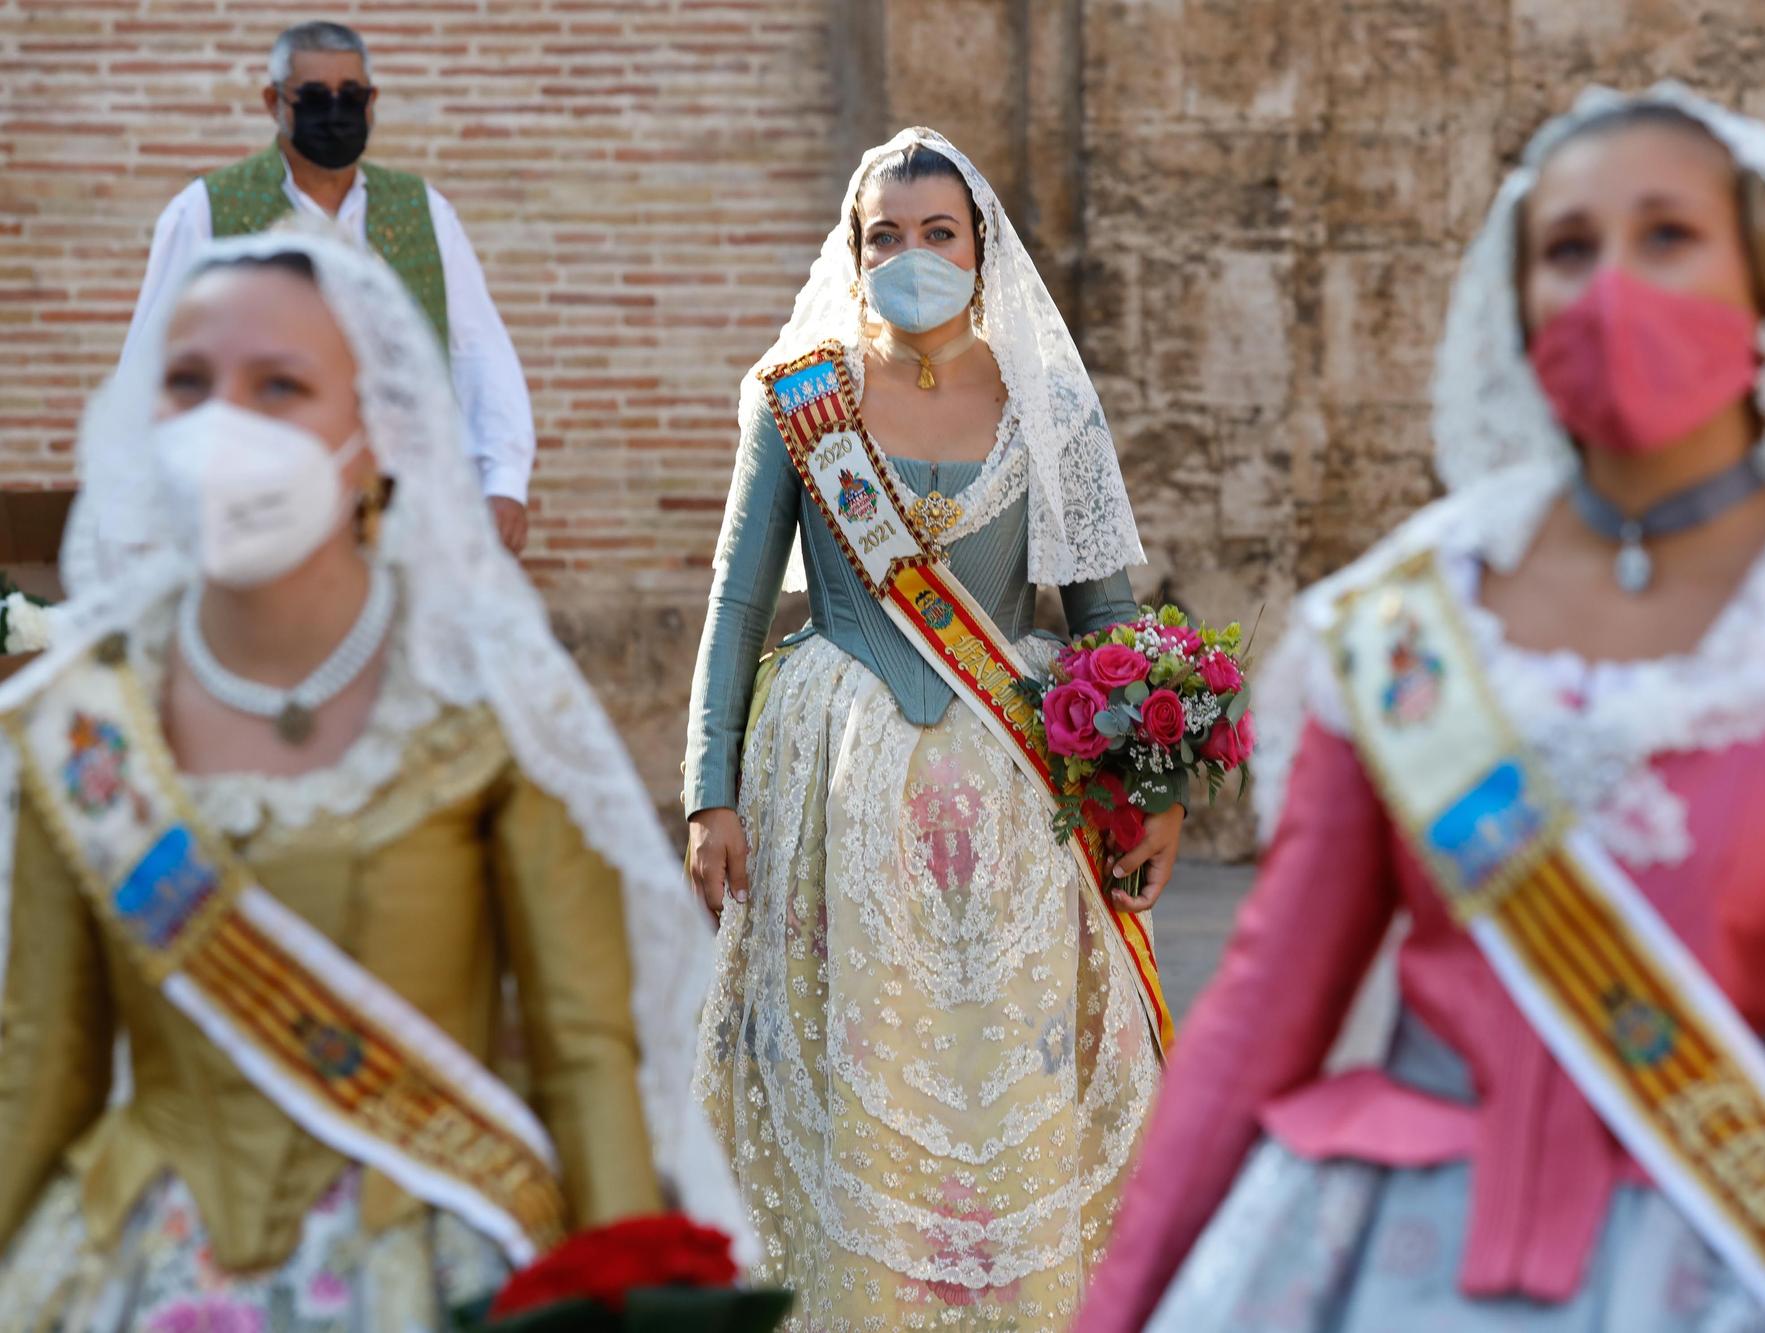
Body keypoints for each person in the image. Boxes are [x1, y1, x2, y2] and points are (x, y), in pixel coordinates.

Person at [1076, 83, 1765, 1333]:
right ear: (1517, 303)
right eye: (1567, 248)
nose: (1611, 282)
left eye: (1665, 234)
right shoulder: (1403, 625)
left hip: (1753, 1252)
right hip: (1395, 1252)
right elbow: (1256, 1018)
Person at [0, 222, 746, 1328]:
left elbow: (584, 1051)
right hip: (133, 1260)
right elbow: (40, 1060)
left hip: (416, 1251)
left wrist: (623, 1291)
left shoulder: (475, 706)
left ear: (376, 433)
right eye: (189, 383)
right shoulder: (82, 720)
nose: (223, 425)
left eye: (280, 385)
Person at [683, 128, 1175, 1330]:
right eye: (884, 236)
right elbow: (742, 598)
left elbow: (1106, 610)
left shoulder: (1048, 400)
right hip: (830, 783)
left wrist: (1152, 789)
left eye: (935, 232)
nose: (911, 254)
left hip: (1012, 788)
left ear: (980, 245)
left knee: (1005, 1059)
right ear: (853, 254)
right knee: (853, 1056)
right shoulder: (800, 402)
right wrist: (708, 788)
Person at [121, 20, 537, 556]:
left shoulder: (424, 211)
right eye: (315, 97)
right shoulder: (205, 211)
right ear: (275, 102)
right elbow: (153, 364)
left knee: (397, 635)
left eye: (352, 96)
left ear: (372, 102)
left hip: (407, 500)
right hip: (255, 502)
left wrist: (503, 480)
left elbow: (479, 349)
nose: (336, 111)